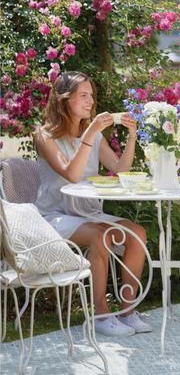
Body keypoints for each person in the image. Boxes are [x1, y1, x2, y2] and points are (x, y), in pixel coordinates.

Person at [35, 71, 152, 337]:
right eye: (83, 96)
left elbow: (121, 169)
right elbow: (72, 174)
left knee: (138, 233)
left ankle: (127, 311)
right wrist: (91, 132)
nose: (90, 101)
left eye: (91, 96)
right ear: (66, 100)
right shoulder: (45, 137)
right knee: (101, 236)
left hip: (88, 212)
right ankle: (100, 315)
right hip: (54, 217)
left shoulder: (94, 137)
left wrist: (132, 136)